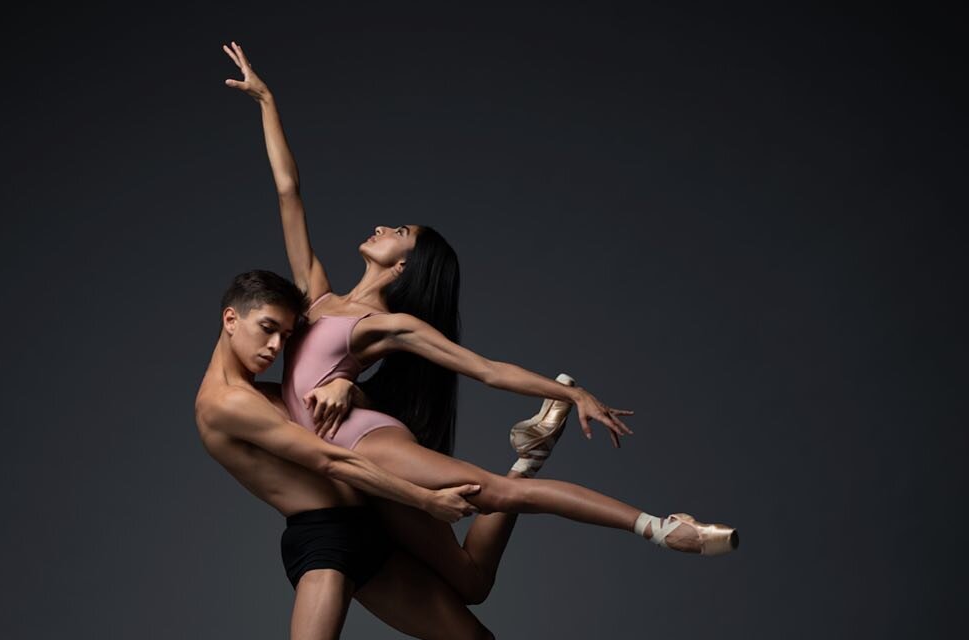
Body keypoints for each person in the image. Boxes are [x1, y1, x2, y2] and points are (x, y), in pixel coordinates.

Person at [220, 41, 738, 605]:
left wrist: (578, 392)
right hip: (346, 458)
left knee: (493, 494)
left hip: (362, 446)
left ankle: (661, 528)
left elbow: (486, 370)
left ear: (403, 266)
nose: (382, 227)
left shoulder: (385, 325)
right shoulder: (315, 296)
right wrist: (267, 101)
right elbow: (289, 192)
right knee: (472, 584)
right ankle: (530, 458)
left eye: (398, 233)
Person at [144, 270, 514, 640]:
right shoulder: (224, 404)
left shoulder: (267, 391)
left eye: (284, 337)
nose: (275, 347)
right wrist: (423, 498)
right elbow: (332, 461)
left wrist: (348, 387)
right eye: (267, 330)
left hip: (368, 522)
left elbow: (327, 411)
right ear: (229, 320)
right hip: (324, 539)